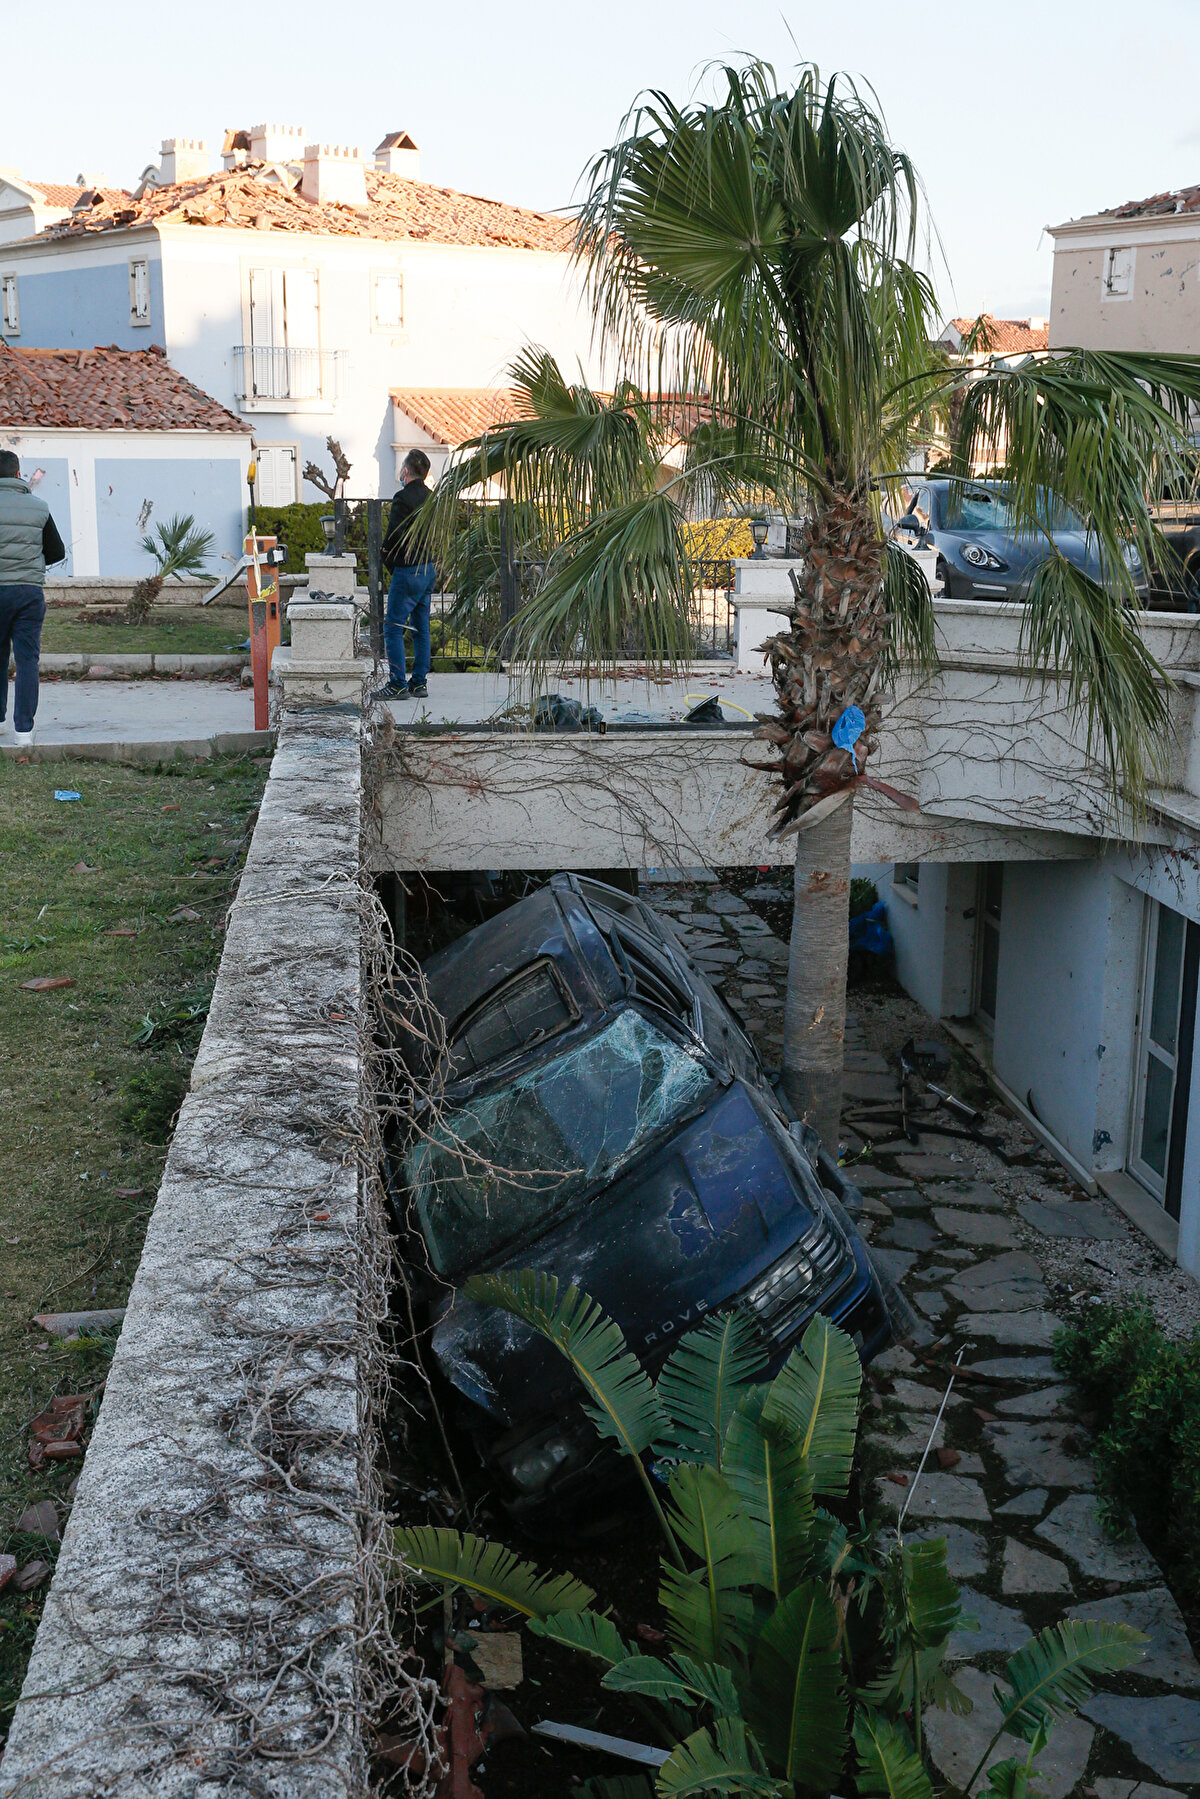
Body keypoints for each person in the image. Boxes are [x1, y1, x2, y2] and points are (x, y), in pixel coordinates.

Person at [0, 451, 66, 747]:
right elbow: (57, 552)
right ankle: (24, 732)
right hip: (28, 592)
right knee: (27, 661)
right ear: (17, 474)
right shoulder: (39, 508)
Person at [375, 448, 437, 701]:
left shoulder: (402, 498)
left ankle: (398, 683)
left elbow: (393, 536)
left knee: (393, 628)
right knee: (421, 628)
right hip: (428, 568)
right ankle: (419, 683)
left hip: (408, 570)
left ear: (407, 470)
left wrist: (387, 560)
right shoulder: (432, 498)